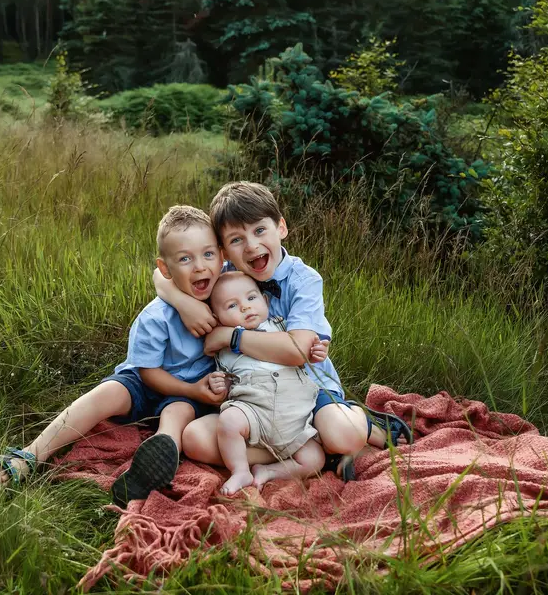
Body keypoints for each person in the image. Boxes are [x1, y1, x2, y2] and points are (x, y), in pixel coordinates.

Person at [155, 182, 413, 481]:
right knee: (196, 440)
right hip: (252, 397)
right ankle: (314, 453)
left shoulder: (304, 280)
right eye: (237, 239)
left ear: (281, 227)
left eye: (259, 230)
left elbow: (297, 351)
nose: (251, 246)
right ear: (224, 251)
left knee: (342, 434)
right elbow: (162, 275)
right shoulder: (224, 274)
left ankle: (365, 426)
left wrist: (231, 337)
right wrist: (182, 303)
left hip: (310, 390)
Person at [0, 205, 226, 506]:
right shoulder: (155, 317)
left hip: (187, 396)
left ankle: (153, 464)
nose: (200, 267)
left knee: (177, 414)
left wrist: (194, 392)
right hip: (147, 381)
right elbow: (148, 373)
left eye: (208, 255)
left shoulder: (227, 291)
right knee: (106, 393)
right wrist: (192, 388)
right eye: (185, 259)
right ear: (165, 269)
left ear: (221, 256)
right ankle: (29, 457)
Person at [206, 271, 324, 495]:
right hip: (253, 412)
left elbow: (304, 352)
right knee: (229, 420)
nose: (245, 307)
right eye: (232, 306)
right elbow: (226, 386)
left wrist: (317, 352)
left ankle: (269, 471)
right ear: (217, 316)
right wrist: (219, 385)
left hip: (295, 418)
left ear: (265, 300)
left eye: (251, 298)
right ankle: (240, 470)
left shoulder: (282, 329)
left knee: (315, 459)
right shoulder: (223, 349)